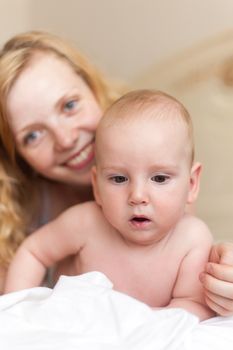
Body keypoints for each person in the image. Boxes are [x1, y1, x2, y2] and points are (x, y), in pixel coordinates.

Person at [0, 31, 233, 316]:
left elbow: (182, 289)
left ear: (94, 89)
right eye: (33, 135)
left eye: (69, 105)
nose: (64, 139)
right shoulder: (24, 222)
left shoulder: (163, 168)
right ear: (17, 156)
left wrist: (219, 272)